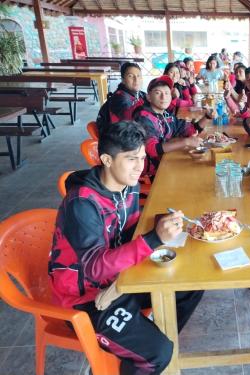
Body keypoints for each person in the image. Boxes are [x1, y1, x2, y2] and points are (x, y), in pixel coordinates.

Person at [48, 121, 204, 375]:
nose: (139, 166)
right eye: (131, 159)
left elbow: (128, 229)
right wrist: (154, 239)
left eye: (141, 157)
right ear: (107, 160)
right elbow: (94, 269)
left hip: (121, 279)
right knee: (158, 353)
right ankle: (147, 352)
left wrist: (160, 223)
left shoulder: (128, 185)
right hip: (85, 298)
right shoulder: (82, 204)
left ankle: (142, 342)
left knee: (192, 284)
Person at [134, 76, 209, 178]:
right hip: (150, 173)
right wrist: (186, 142)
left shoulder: (165, 115)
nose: (163, 97)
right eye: (157, 93)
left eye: (167, 93)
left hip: (165, 163)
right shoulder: (144, 118)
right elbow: (153, 149)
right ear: (149, 97)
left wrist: (208, 117)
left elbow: (189, 129)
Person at [96, 62, 147, 136]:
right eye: (130, 76)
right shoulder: (120, 99)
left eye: (138, 76)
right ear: (123, 80)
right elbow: (129, 124)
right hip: (115, 140)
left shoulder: (140, 94)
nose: (136, 79)